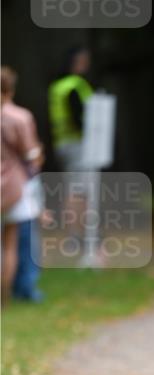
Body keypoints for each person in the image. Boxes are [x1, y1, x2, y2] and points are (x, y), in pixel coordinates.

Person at [1, 66, 43, 304]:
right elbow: (31, 155)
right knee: (12, 243)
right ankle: (8, 294)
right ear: (10, 90)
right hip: (13, 187)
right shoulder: (19, 117)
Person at [48, 46, 93, 172]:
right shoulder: (75, 85)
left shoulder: (57, 86)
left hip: (61, 143)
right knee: (83, 183)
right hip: (77, 143)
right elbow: (77, 116)